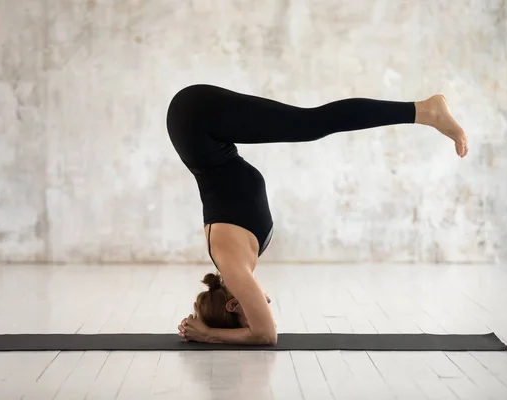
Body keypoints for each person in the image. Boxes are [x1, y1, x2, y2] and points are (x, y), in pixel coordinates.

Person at [166, 84, 468, 345]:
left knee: (311, 123)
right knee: (310, 123)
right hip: (201, 129)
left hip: (195, 120)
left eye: (246, 318)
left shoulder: (232, 267)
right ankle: (426, 111)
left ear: (233, 305)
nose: (265, 305)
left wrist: (209, 335)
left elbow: (265, 335)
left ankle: (427, 111)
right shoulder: (240, 261)